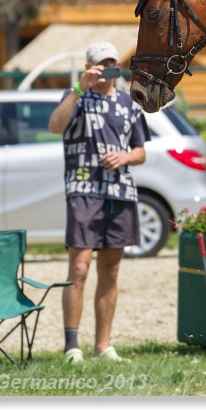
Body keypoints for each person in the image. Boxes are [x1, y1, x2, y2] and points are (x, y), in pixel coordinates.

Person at [48, 41, 150, 363]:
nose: (108, 69)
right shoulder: (75, 97)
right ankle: (72, 346)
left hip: (119, 193)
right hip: (83, 190)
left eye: (112, 63)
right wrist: (81, 85)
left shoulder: (128, 103)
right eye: (102, 63)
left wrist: (125, 157)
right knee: (79, 268)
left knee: (112, 270)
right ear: (90, 65)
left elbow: (141, 151)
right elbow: (55, 126)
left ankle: (102, 346)